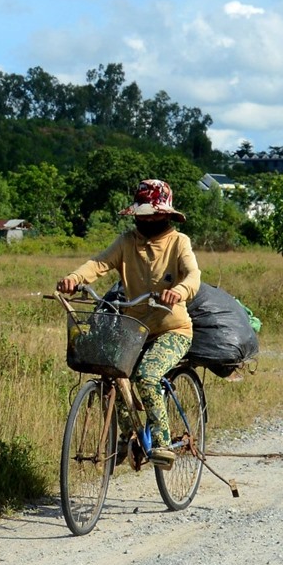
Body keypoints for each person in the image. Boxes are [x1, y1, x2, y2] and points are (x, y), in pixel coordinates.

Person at [57, 179, 201, 467]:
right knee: (113, 371)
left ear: (165, 214)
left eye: (153, 214)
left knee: (147, 377)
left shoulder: (178, 242)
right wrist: (75, 278)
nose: (146, 219)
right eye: (142, 214)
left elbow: (193, 274)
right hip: (135, 330)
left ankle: (162, 445)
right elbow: (98, 264)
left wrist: (180, 291)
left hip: (172, 329)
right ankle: (129, 436)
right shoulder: (126, 242)